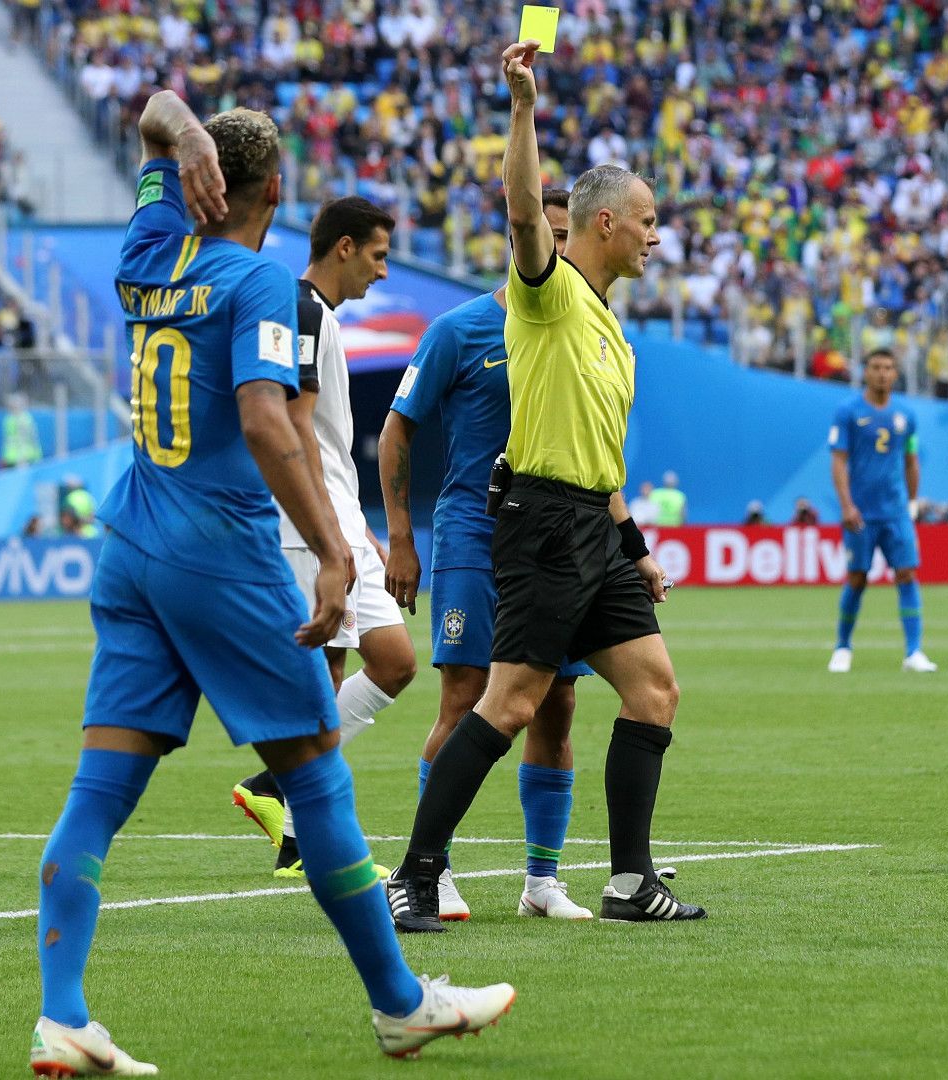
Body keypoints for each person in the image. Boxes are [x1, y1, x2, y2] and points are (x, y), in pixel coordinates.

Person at [28, 91, 512, 1076]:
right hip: (221, 550)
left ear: (198, 179)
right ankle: (402, 1004)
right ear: (277, 191)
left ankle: (63, 1015)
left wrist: (182, 129)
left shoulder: (150, 250)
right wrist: (336, 550)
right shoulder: (254, 283)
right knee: (317, 779)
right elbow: (263, 421)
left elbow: (155, 116)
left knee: (102, 787)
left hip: (133, 545)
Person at [387, 39, 704, 933]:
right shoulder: (550, 295)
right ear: (604, 224)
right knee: (509, 702)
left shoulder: (612, 332)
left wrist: (632, 552)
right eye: (646, 220)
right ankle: (413, 873)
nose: (655, 234)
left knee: (652, 690)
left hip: (593, 532)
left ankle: (630, 882)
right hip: (539, 522)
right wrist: (523, 107)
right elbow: (526, 211)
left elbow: (604, 465)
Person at [378, 187, 597, 923]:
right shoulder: (459, 329)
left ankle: (542, 880)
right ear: (523, 235)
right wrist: (402, 537)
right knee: (465, 694)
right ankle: (430, 869)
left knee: (557, 705)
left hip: (553, 542)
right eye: (550, 234)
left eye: (570, 237)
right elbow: (397, 429)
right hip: (473, 534)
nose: (560, 249)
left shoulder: (580, 331)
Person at [228, 196, 421, 881]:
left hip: (336, 510)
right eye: (376, 255)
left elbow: (328, 441)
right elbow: (297, 423)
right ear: (343, 247)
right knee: (337, 673)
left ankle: (277, 793)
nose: (382, 271)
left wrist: (360, 525)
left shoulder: (322, 315)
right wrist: (329, 529)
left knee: (387, 664)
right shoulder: (303, 308)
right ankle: (302, 819)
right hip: (313, 520)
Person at [827, 349, 936, 674]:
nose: (882, 373)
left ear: (895, 372)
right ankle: (843, 648)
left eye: (888, 368)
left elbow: (911, 460)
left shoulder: (906, 414)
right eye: (876, 367)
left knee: (906, 574)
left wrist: (912, 503)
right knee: (858, 578)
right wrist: (846, 504)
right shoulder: (848, 411)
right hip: (860, 513)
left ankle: (913, 652)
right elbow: (838, 460)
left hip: (896, 512)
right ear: (866, 371)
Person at [2, 393, 43, 468]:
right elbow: (8, 439)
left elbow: (28, 437)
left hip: (25, 456)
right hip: (14, 457)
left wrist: (22, 457)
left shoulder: (24, 419)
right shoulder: (9, 419)